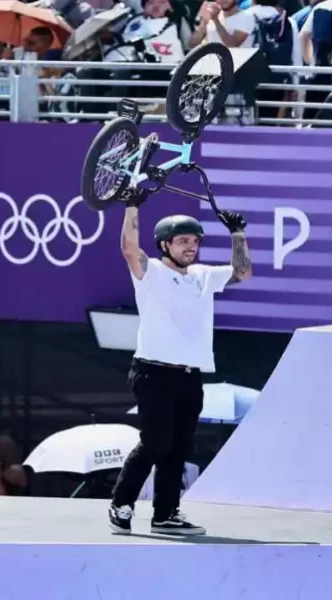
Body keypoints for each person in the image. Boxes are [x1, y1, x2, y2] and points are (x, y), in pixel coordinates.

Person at [109, 199, 252, 536]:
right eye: (184, 240)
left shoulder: (203, 275)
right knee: (156, 442)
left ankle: (166, 514)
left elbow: (242, 272)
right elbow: (130, 250)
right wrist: (132, 206)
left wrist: (238, 233)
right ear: (165, 245)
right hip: (153, 371)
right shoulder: (151, 271)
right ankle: (121, 503)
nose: (192, 246)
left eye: (196, 240)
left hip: (189, 376)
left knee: (178, 446)